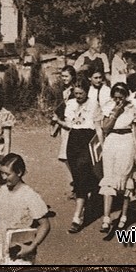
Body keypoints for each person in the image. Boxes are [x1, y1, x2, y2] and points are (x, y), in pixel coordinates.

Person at [53, 76, 103, 233]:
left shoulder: (94, 104)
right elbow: (68, 124)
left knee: (82, 171)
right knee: (77, 175)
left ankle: (78, 216)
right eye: (76, 93)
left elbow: (97, 126)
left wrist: (103, 144)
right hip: (73, 140)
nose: (78, 96)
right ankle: (87, 195)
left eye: (81, 93)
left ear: (87, 92)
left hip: (87, 140)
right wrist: (57, 121)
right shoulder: (70, 103)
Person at [0, 153, 51, 265]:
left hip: (21, 249)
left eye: (7, 174)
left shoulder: (30, 195)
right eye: (2, 173)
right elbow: (1, 222)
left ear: (19, 172)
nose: (4, 177)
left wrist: (32, 246)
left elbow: (45, 224)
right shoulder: (2, 191)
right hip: (2, 245)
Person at [99, 82, 136, 232]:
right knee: (109, 178)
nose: (118, 100)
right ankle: (106, 218)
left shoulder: (132, 108)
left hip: (127, 142)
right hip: (111, 141)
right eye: (115, 97)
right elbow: (105, 128)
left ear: (126, 96)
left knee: (124, 178)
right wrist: (116, 112)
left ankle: (124, 215)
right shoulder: (109, 106)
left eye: (121, 98)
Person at [51, 65, 76, 195]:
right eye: (63, 76)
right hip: (63, 125)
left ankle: (77, 182)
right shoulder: (63, 90)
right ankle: (75, 181)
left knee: (69, 155)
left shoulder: (75, 91)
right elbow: (59, 107)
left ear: (72, 76)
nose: (64, 78)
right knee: (66, 156)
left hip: (71, 124)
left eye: (67, 76)